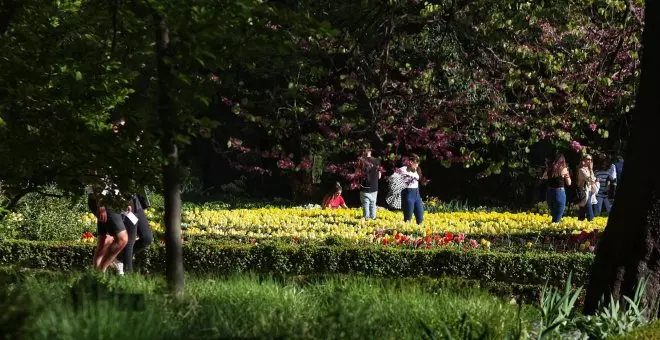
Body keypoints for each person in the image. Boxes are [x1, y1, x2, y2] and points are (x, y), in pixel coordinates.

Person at [87, 179, 131, 275]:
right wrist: (101, 205)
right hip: (103, 200)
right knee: (122, 239)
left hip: (113, 199)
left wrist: (124, 200)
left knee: (105, 240)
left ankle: (95, 276)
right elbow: (96, 179)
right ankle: (101, 273)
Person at [120, 190, 154, 274]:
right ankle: (129, 274)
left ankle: (119, 257)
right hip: (125, 201)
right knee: (130, 239)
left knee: (147, 238)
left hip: (136, 201)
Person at [542, 153, 571, 223]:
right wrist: (566, 175)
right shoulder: (564, 169)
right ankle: (554, 233)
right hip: (559, 193)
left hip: (549, 193)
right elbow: (569, 183)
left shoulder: (549, 169)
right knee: (557, 219)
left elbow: (544, 177)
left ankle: (551, 231)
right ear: (562, 160)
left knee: (554, 216)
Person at [399, 154, 424, 224]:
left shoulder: (417, 169)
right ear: (410, 162)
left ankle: (420, 232)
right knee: (408, 218)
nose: (417, 164)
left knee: (420, 215)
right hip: (408, 194)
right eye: (416, 162)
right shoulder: (403, 169)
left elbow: (420, 180)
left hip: (417, 194)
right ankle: (405, 233)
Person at [358, 147, 381, 219]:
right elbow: (379, 176)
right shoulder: (377, 161)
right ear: (371, 151)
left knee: (365, 204)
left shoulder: (361, 161)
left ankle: (366, 221)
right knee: (373, 204)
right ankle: (373, 221)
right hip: (374, 186)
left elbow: (357, 173)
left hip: (364, 186)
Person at [577, 154, 598, 221]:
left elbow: (593, 179)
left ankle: (580, 223)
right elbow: (590, 179)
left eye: (591, 160)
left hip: (590, 191)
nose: (590, 161)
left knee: (582, 210)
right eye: (588, 159)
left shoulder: (588, 170)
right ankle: (591, 224)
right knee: (589, 210)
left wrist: (591, 172)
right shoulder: (581, 170)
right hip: (584, 192)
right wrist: (591, 170)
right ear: (584, 160)